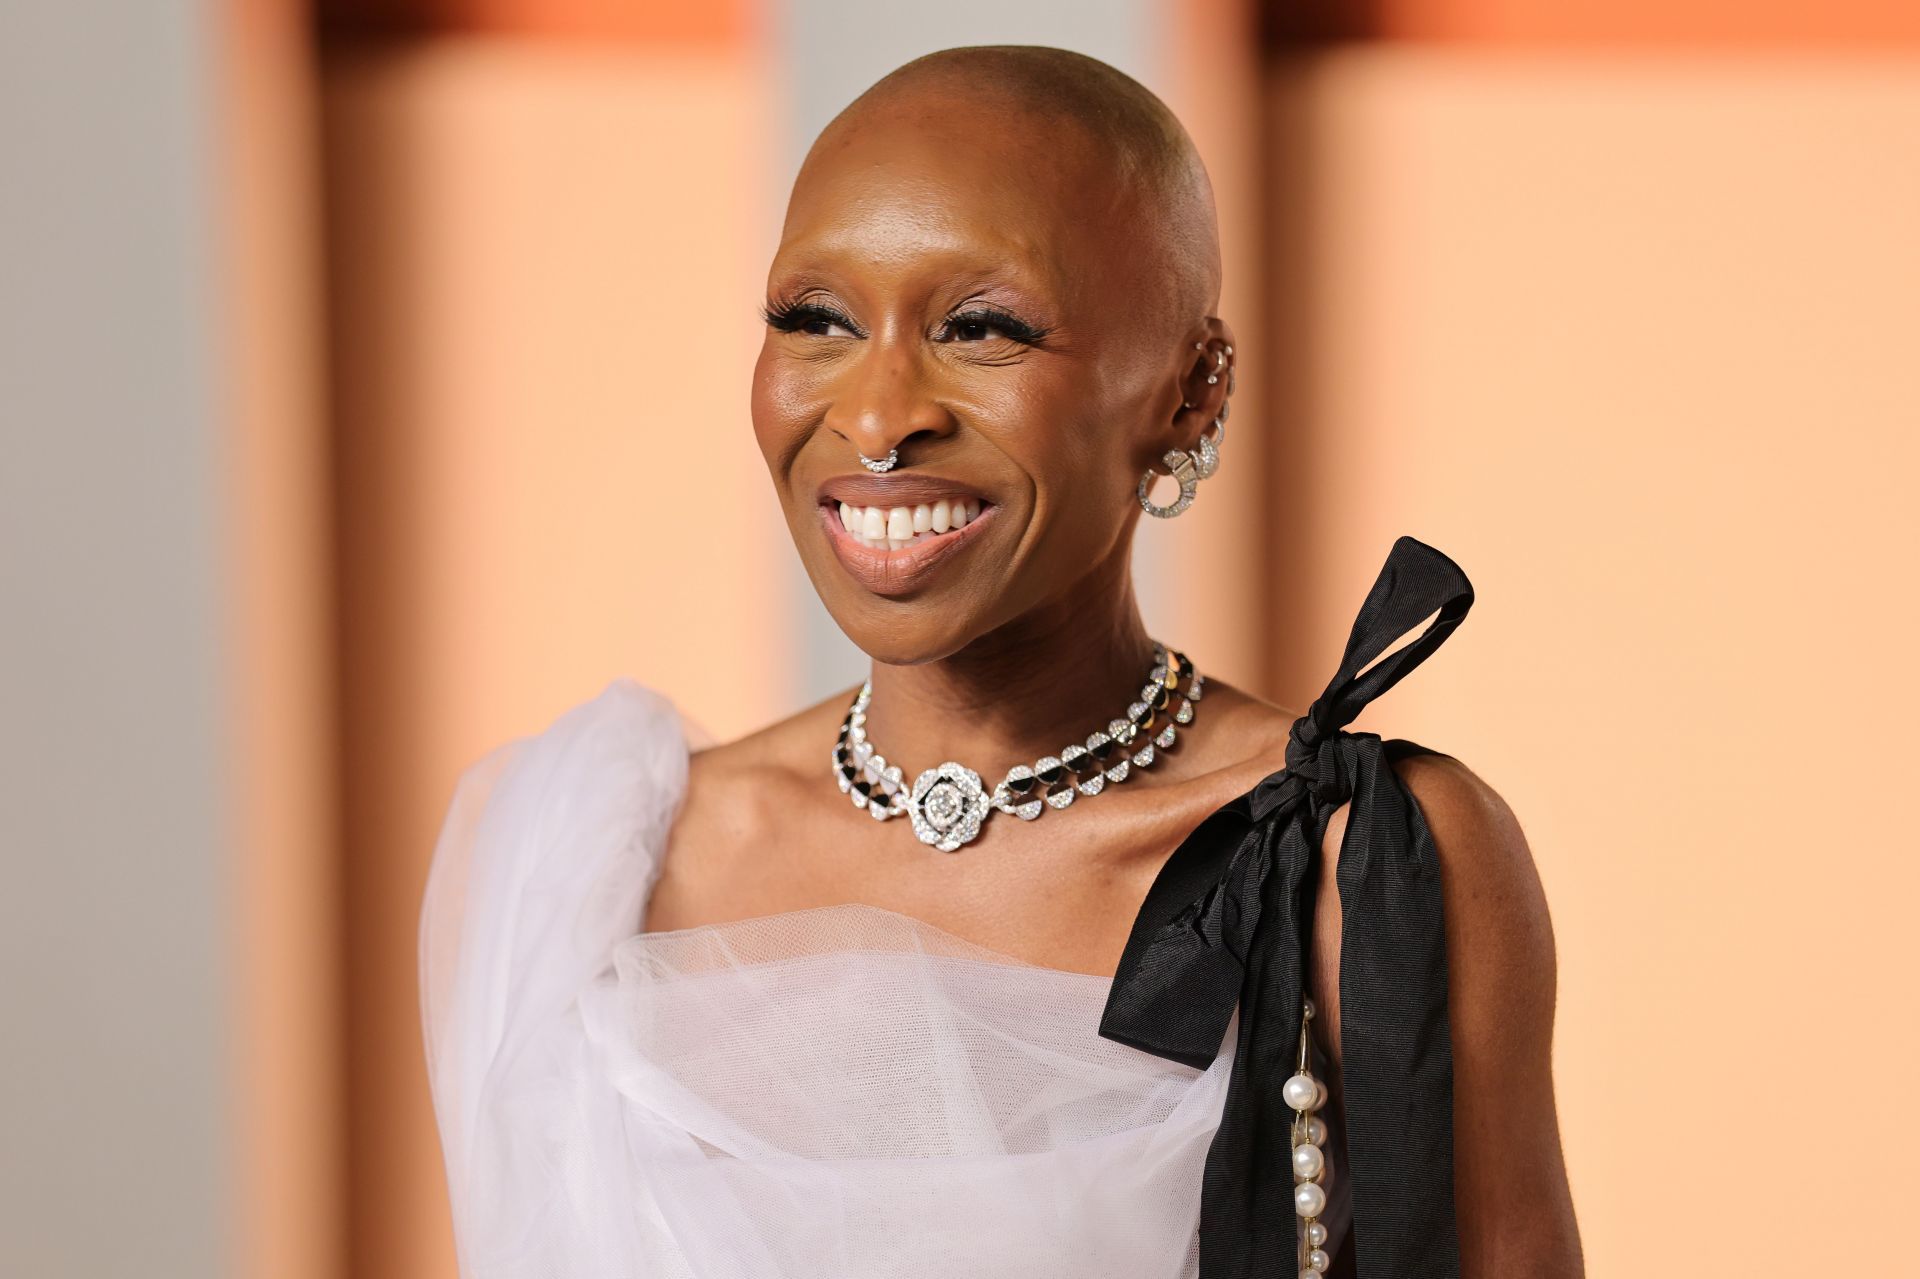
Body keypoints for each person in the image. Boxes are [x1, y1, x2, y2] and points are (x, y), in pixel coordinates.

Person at [419, 44, 1583, 1279]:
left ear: (1190, 391)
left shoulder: (1362, 862)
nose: (874, 421)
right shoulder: (592, 853)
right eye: (815, 319)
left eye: (981, 329)